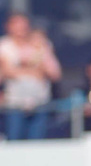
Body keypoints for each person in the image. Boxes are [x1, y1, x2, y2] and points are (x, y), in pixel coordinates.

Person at [0, 12, 58, 140]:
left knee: (37, 144)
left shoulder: (40, 44)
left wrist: (19, 70)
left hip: (39, 102)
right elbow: (7, 72)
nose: (20, 28)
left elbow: (54, 73)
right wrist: (34, 71)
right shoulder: (4, 46)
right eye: (16, 24)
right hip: (14, 104)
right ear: (8, 26)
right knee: (14, 142)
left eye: (23, 25)